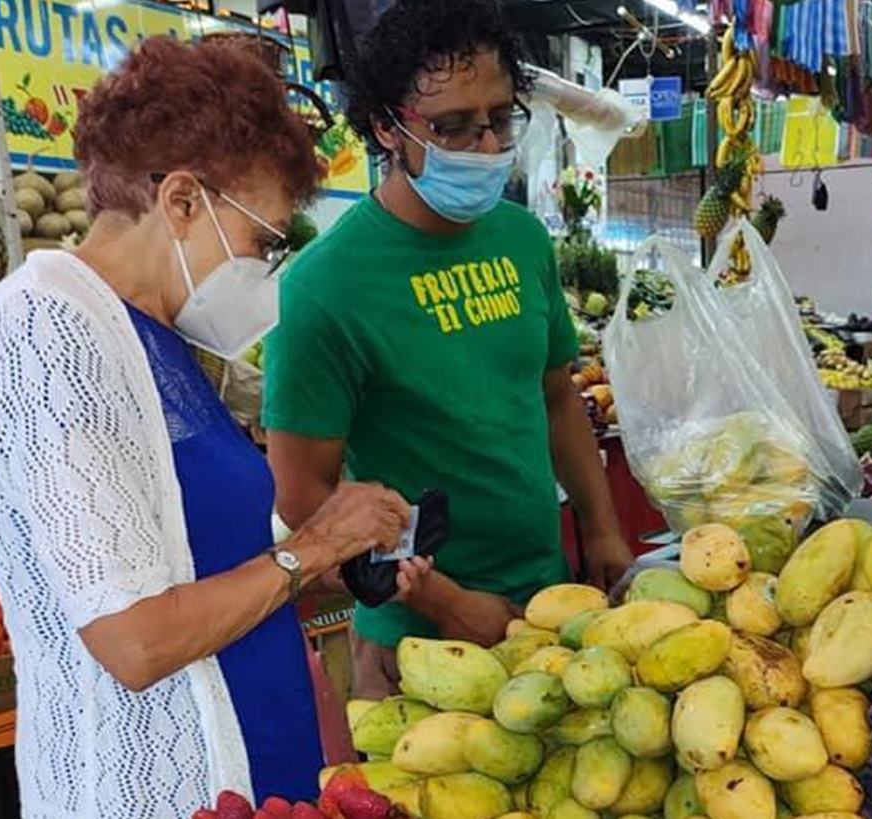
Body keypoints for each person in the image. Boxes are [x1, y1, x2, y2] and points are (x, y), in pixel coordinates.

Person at [0, 38, 417, 816]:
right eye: (264, 238)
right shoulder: (48, 326)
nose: (267, 266)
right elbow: (135, 640)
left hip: (262, 769)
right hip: (162, 791)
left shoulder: (162, 339)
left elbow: (197, 554)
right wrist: (312, 545)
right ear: (181, 200)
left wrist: (335, 558)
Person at [262, 0, 632, 697]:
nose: (486, 146)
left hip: (549, 605)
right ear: (386, 128)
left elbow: (555, 398)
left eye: (498, 118)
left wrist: (602, 525)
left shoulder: (522, 240)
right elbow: (306, 492)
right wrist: (445, 601)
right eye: (453, 127)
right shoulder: (322, 288)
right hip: (417, 647)